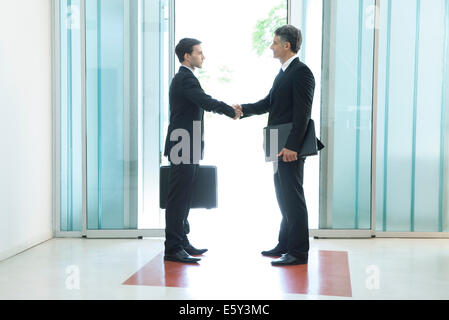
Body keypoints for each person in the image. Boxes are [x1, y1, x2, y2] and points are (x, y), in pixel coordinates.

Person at [235, 25, 315, 266]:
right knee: (283, 194)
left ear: (286, 45)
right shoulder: (284, 72)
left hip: (288, 145)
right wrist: (243, 110)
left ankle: (298, 252)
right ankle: (285, 244)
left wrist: (292, 146)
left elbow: (303, 113)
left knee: (293, 196)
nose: (271, 46)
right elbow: (270, 103)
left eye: (274, 43)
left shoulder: (301, 72)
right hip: (277, 141)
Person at [164, 38, 242, 264]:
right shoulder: (185, 79)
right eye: (199, 52)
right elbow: (205, 102)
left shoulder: (187, 78)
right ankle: (173, 248)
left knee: (185, 196)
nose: (203, 56)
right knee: (178, 198)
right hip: (183, 143)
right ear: (187, 56)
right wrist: (230, 110)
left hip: (187, 143)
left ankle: (182, 241)